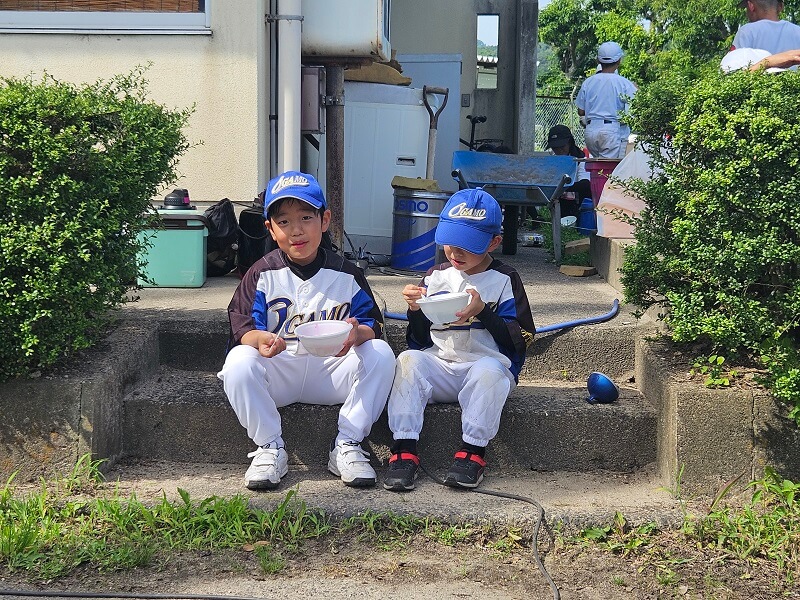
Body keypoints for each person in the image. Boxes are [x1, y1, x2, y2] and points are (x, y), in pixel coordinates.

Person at [217, 171, 396, 491]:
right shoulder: (261, 273)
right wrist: (260, 339)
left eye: (306, 217)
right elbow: (242, 326)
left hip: (332, 372)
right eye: (283, 221)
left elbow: (373, 324)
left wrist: (357, 334)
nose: (296, 230)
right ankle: (269, 447)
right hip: (280, 371)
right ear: (270, 229)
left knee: (381, 353)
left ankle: (348, 444)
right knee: (239, 361)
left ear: (324, 220)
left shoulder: (346, 273)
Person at [382, 188, 536, 492]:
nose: (455, 253)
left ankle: (472, 452)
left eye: (468, 245)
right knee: (408, 360)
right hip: (440, 365)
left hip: (483, 368)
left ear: (494, 242)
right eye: (450, 242)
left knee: (489, 371)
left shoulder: (505, 279)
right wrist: (416, 310)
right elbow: (418, 339)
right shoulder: (436, 276)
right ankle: (404, 449)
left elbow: (520, 340)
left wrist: (483, 312)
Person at [575, 41, 638, 159]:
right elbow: (636, 106)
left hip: (590, 131)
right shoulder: (624, 83)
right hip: (611, 131)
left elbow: (581, 111)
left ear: (598, 60)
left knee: (597, 164)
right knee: (609, 168)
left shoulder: (588, 82)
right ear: (619, 61)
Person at [544, 124, 592, 218]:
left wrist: (561, 187)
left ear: (570, 143)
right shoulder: (553, 160)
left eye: (562, 146)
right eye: (555, 147)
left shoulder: (581, 160)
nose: (559, 150)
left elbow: (585, 184)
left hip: (578, 205)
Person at [731, 0, 800, 55]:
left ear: (751, 6)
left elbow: (732, 65)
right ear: (781, 6)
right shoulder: (797, 31)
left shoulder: (746, 32)